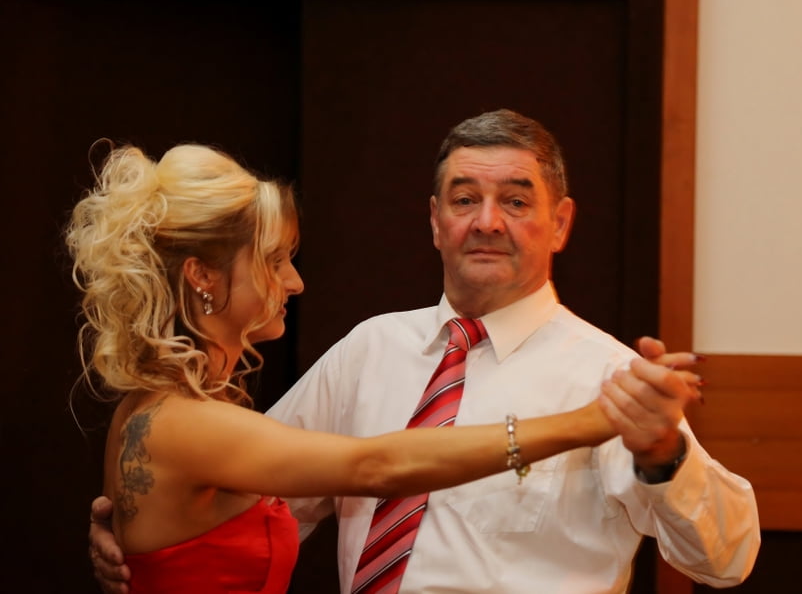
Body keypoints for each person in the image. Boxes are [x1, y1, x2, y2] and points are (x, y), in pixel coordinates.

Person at [91, 109, 759, 593]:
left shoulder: (613, 379)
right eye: (465, 199)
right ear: (435, 220)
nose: (487, 221)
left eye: (515, 201)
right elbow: (250, 494)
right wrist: (138, 534)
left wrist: (663, 454)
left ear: (559, 224)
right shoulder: (368, 350)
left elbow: (727, 559)